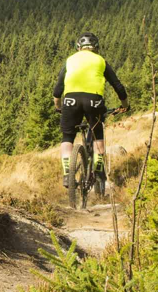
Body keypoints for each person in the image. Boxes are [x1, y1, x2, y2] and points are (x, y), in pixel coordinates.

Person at [53, 32, 130, 188]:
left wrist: (58, 107)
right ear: (96, 47)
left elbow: (58, 89)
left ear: (78, 47)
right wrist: (125, 105)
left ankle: (68, 174)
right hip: (94, 101)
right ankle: (98, 171)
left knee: (67, 136)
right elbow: (118, 86)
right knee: (97, 134)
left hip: (70, 100)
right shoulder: (101, 61)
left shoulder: (70, 60)